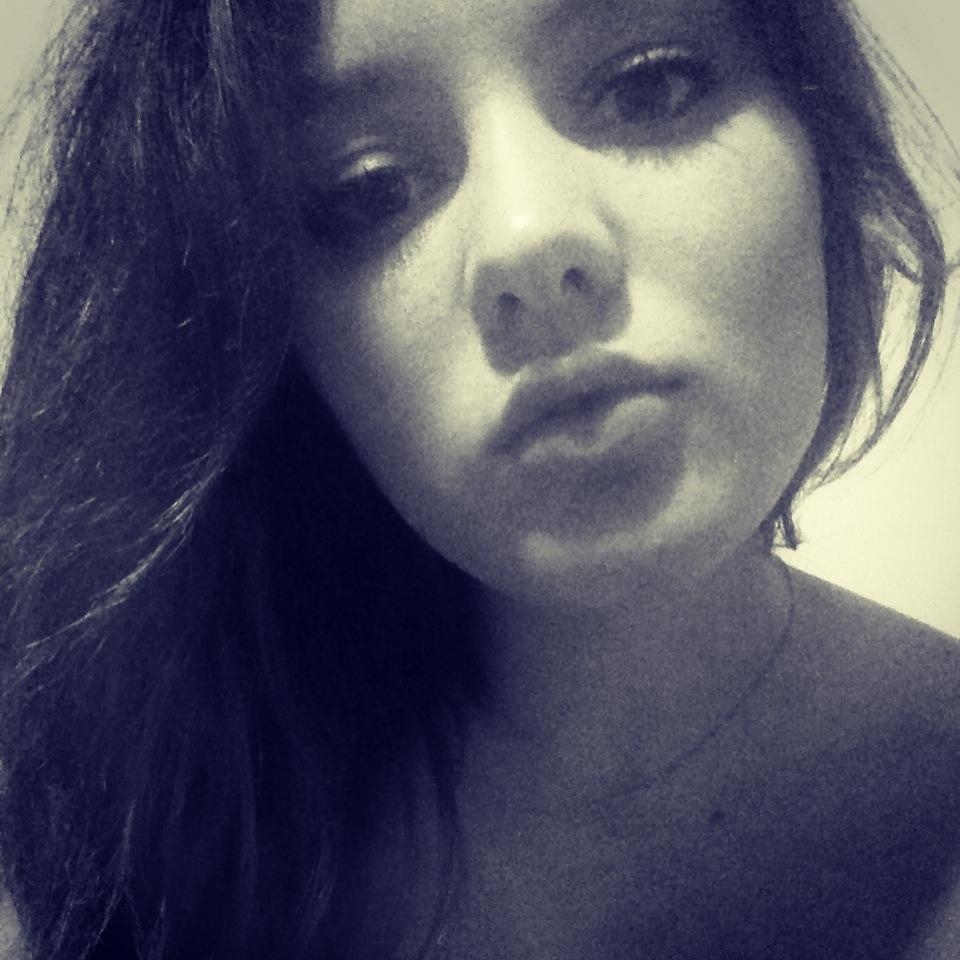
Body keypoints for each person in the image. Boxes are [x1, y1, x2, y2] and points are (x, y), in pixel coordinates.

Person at [0, 0, 958, 957]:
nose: (527, 238)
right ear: (276, 340)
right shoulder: (138, 818)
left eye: (649, 86)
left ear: (823, 141)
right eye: (369, 188)